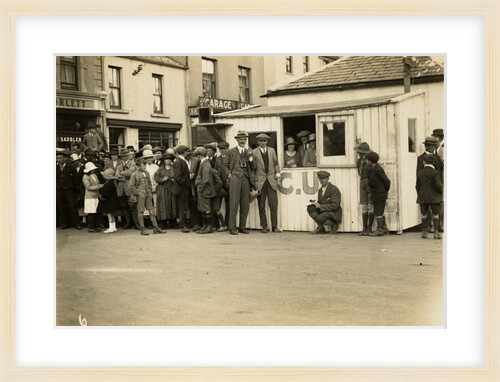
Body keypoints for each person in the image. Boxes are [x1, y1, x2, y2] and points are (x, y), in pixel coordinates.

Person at [251, 133, 282, 233]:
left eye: (264, 141)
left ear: (267, 142)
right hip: (260, 182)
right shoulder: (253, 152)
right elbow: (252, 168)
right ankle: (264, 226)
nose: (263, 143)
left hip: (271, 181)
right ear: (258, 142)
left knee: (273, 204)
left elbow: (276, 164)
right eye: (260, 141)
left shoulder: (272, 151)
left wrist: (278, 176)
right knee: (261, 205)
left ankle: (274, 226)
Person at [129, 158, 166, 236]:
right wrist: (139, 193)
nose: (145, 167)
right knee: (140, 212)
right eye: (143, 166)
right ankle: (142, 229)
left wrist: (149, 190)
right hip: (140, 195)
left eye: (145, 165)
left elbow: (149, 183)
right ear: (138, 166)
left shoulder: (147, 173)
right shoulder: (134, 174)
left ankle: (156, 228)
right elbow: (131, 187)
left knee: (152, 211)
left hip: (148, 194)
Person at [226, 130, 254, 235]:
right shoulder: (231, 152)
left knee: (245, 204)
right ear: (237, 140)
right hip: (235, 179)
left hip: (246, 179)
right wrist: (230, 175)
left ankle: (242, 227)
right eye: (241, 139)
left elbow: (253, 166)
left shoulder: (249, 152)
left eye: (244, 139)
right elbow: (224, 166)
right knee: (233, 203)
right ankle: (232, 227)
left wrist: (251, 157)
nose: (243, 141)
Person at [417, 136, 442, 233]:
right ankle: (429, 227)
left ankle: (437, 226)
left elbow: (441, 172)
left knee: (437, 210)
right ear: (426, 146)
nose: (433, 148)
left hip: (436, 189)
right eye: (432, 146)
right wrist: (419, 191)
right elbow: (418, 177)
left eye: (435, 146)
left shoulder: (437, 158)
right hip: (427, 190)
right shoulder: (420, 159)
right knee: (426, 211)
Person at [366, 151, 391, 237]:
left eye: (367, 159)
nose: (366, 161)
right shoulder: (374, 168)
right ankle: (384, 228)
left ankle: (380, 229)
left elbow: (387, 181)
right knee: (379, 211)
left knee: (378, 212)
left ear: (370, 161)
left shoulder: (377, 169)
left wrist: (383, 191)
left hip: (379, 194)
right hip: (377, 194)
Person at [56, 150, 82, 230]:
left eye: (60, 158)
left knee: (72, 206)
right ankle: (65, 223)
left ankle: (77, 223)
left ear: (64, 159)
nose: (58, 160)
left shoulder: (71, 167)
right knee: (61, 207)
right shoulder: (55, 167)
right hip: (59, 190)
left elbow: (76, 179)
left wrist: (74, 189)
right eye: (57, 159)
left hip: (69, 190)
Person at [194, 147, 217, 234]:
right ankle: (205, 225)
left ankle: (209, 226)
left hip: (205, 190)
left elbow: (206, 179)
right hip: (204, 189)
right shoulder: (204, 163)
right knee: (203, 208)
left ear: (199, 155)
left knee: (207, 208)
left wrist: (200, 188)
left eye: (197, 156)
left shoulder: (205, 164)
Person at [354, 142, 374, 235]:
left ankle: (369, 229)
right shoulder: (358, 162)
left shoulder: (370, 161)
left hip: (370, 183)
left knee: (370, 206)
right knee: (364, 206)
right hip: (362, 182)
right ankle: (364, 228)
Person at [116, 148, 139, 229]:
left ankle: (136, 223)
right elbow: (117, 176)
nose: (125, 157)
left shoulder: (133, 164)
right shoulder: (119, 165)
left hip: (129, 188)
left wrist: (121, 174)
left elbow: (131, 173)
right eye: (123, 156)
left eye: (126, 155)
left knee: (132, 206)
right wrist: (124, 177)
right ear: (121, 157)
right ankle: (128, 223)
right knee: (124, 206)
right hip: (121, 189)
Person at [173, 145, 193, 233]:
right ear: (184, 152)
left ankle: (184, 224)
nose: (188, 153)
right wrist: (185, 183)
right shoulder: (179, 161)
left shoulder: (181, 161)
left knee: (184, 206)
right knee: (183, 207)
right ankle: (183, 225)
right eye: (187, 151)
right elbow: (177, 177)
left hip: (183, 187)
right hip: (182, 188)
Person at [154, 153, 177, 229]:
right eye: (166, 160)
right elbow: (156, 178)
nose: (168, 161)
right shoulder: (160, 169)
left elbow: (178, 176)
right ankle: (163, 222)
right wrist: (163, 179)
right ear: (164, 161)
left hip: (172, 189)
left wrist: (174, 179)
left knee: (172, 204)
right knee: (163, 205)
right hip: (163, 189)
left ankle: (172, 221)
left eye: (169, 160)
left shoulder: (175, 168)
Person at [213, 141, 231, 232]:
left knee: (230, 206)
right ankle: (219, 224)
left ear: (228, 149)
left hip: (230, 185)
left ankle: (228, 224)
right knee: (217, 206)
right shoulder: (218, 159)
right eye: (220, 149)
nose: (222, 151)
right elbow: (216, 171)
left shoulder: (232, 157)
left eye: (224, 149)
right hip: (220, 186)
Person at [97, 168, 121, 233]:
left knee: (109, 215)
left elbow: (106, 193)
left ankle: (111, 228)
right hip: (112, 201)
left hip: (108, 201)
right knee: (112, 214)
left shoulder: (109, 183)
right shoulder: (112, 182)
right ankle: (114, 227)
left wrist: (101, 196)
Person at [82, 162, 103, 232]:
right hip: (90, 197)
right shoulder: (85, 177)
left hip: (95, 196)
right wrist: (99, 186)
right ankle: (91, 227)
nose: (93, 170)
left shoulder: (94, 175)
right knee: (91, 212)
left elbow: (97, 183)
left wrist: (100, 185)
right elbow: (88, 187)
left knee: (95, 212)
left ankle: (94, 226)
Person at [432, 128, 445, 232]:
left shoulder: (443, 149)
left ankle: (442, 223)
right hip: (439, 177)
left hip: (443, 177)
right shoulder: (439, 149)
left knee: (442, 201)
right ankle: (440, 223)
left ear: (437, 138)